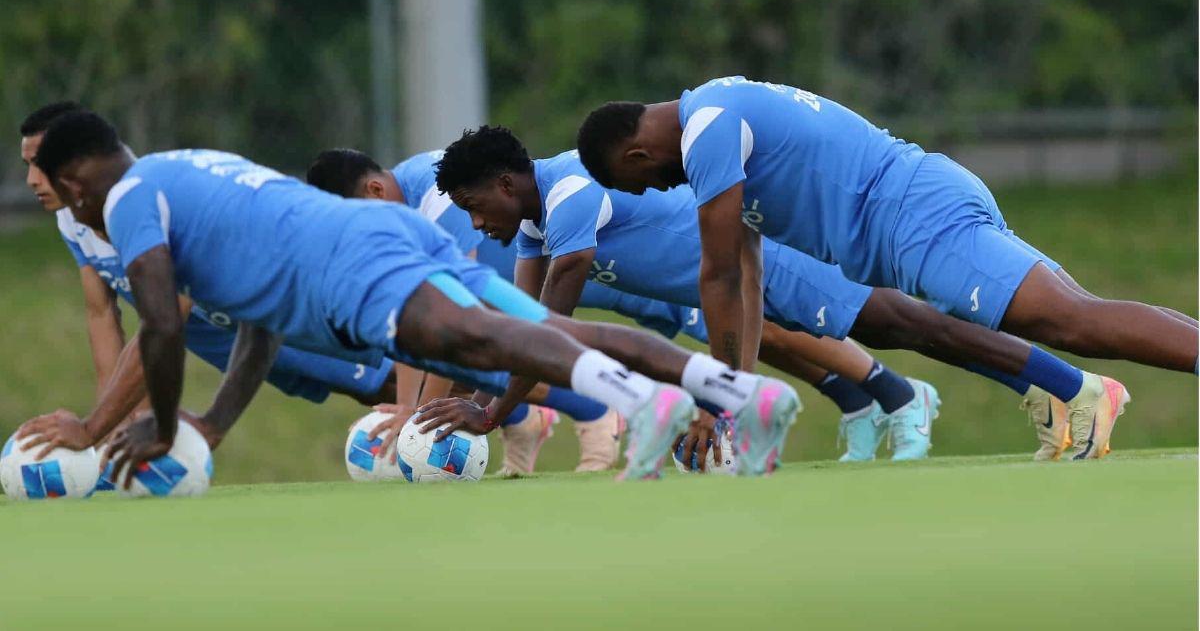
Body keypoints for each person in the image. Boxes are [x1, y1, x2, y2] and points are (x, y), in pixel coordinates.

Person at [33, 110, 800, 483]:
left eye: (62, 198)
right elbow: (259, 326)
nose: (73, 215)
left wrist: (153, 427)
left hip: (351, 259)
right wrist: (213, 423)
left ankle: (643, 405)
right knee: (534, 328)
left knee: (482, 342)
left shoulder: (131, 199)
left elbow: (160, 325)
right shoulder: (180, 166)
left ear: (76, 183)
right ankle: (737, 393)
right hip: (381, 240)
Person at [575, 77, 1196, 458]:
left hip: (914, 216)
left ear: (636, 153)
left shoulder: (705, 131)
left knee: (1072, 322)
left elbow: (718, 277)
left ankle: (1083, 391)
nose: (658, 192)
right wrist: (730, 397)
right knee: (1069, 313)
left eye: (643, 182)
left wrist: (713, 400)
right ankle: (1083, 397)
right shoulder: (714, 116)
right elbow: (748, 277)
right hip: (920, 204)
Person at [436, 126, 1123, 462]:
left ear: (504, 183)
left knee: (908, 324)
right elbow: (527, 328)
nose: (475, 224)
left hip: (771, 259)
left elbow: (550, 325)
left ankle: (1072, 383)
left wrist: (496, 410)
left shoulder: (568, 194)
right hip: (728, 286)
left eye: (473, 204)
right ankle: (1050, 385)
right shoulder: (532, 226)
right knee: (905, 327)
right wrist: (494, 407)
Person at [313, 145, 934, 464]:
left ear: (373, 189)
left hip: (602, 264)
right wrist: (423, 408)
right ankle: (858, 398)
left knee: (766, 325)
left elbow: (449, 321)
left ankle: (893, 389)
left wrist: (413, 411)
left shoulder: (437, 202)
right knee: (744, 331)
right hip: (603, 273)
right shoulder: (425, 213)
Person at [15, 103, 398, 467]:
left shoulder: (137, 199)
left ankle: (440, 436)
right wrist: (112, 427)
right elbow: (102, 315)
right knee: (380, 386)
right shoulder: (77, 219)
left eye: (41, 164)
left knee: (399, 370)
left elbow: (165, 320)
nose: (33, 179)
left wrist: (93, 427)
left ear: (77, 169)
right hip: (239, 338)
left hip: (303, 282)